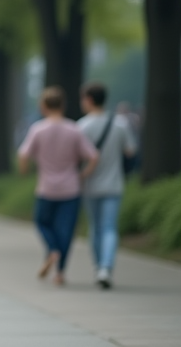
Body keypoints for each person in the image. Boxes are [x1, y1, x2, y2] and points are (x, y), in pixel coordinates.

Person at [18, 85, 98, 286]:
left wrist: (25, 172)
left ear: (43, 106)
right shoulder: (74, 129)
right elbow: (93, 156)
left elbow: (23, 154)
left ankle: (52, 249)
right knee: (66, 230)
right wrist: (83, 174)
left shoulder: (38, 129)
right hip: (71, 188)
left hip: (46, 187)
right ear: (63, 105)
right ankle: (60, 272)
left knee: (42, 222)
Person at [78, 83, 138, 289]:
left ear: (88, 99)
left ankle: (98, 267)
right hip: (114, 184)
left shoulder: (82, 126)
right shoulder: (120, 123)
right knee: (110, 228)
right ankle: (106, 267)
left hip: (89, 184)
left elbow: (77, 156)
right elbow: (130, 151)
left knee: (95, 228)